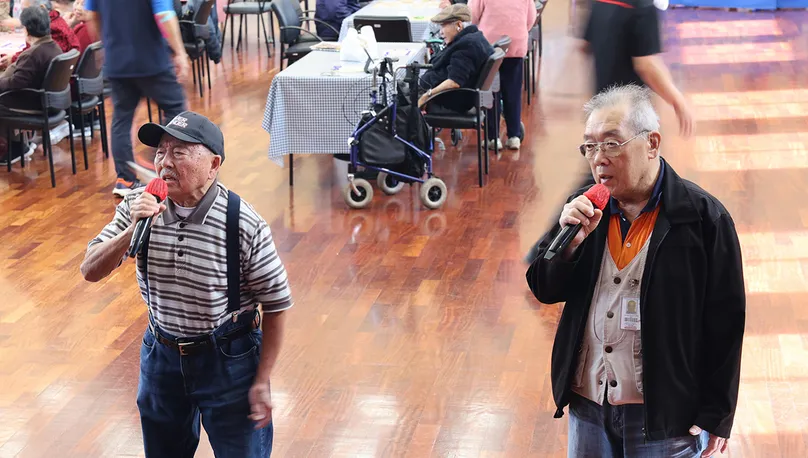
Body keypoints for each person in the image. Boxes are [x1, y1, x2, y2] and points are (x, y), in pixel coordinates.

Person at [526, 85, 745, 458]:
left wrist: (718, 413)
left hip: (665, 415)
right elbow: (544, 289)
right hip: (588, 404)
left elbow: (726, 319)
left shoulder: (703, 218)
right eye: (590, 146)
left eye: (611, 144)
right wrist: (568, 247)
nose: (599, 159)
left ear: (652, 143)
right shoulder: (583, 210)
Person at [81, 111, 292, 457]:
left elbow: (277, 304)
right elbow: (90, 269)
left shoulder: (243, 222)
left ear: (213, 164)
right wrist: (133, 229)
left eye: (179, 152)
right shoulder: (139, 206)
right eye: (160, 152)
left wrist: (262, 378)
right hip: (161, 353)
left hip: (229, 359)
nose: (164, 163)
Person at [84, 0, 190, 197]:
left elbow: (92, 15)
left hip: (117, 62)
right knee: (177, 111)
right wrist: (180, 53)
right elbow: (164, 14)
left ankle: (125, 179)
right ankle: (161, 165)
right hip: (151, 61)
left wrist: (106, 45)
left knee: (121, 118)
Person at [0, 5, 61, 165]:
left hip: (32, 103)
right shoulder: (54, 47)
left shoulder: (33, 54)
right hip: (48, 101)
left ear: (26, 29)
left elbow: (16, 83)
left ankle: (13, 148)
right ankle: (18, 145)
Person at [471, 0, 536, 151]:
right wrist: (517, 30)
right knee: (513, 92)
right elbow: (531, 18)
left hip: (489, 45)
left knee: (490, 92)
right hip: (516, 43)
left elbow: (472, 16)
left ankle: (493, 138)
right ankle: (514, 136)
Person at [416, 4, 493, 113]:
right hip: (452, 96)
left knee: (400, 104)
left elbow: (454, 82)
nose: (441, 32)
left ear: (459, 25)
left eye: (443, 26)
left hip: (449, 101)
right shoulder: (474, 38)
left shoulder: (467, 46)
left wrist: (427, 96)